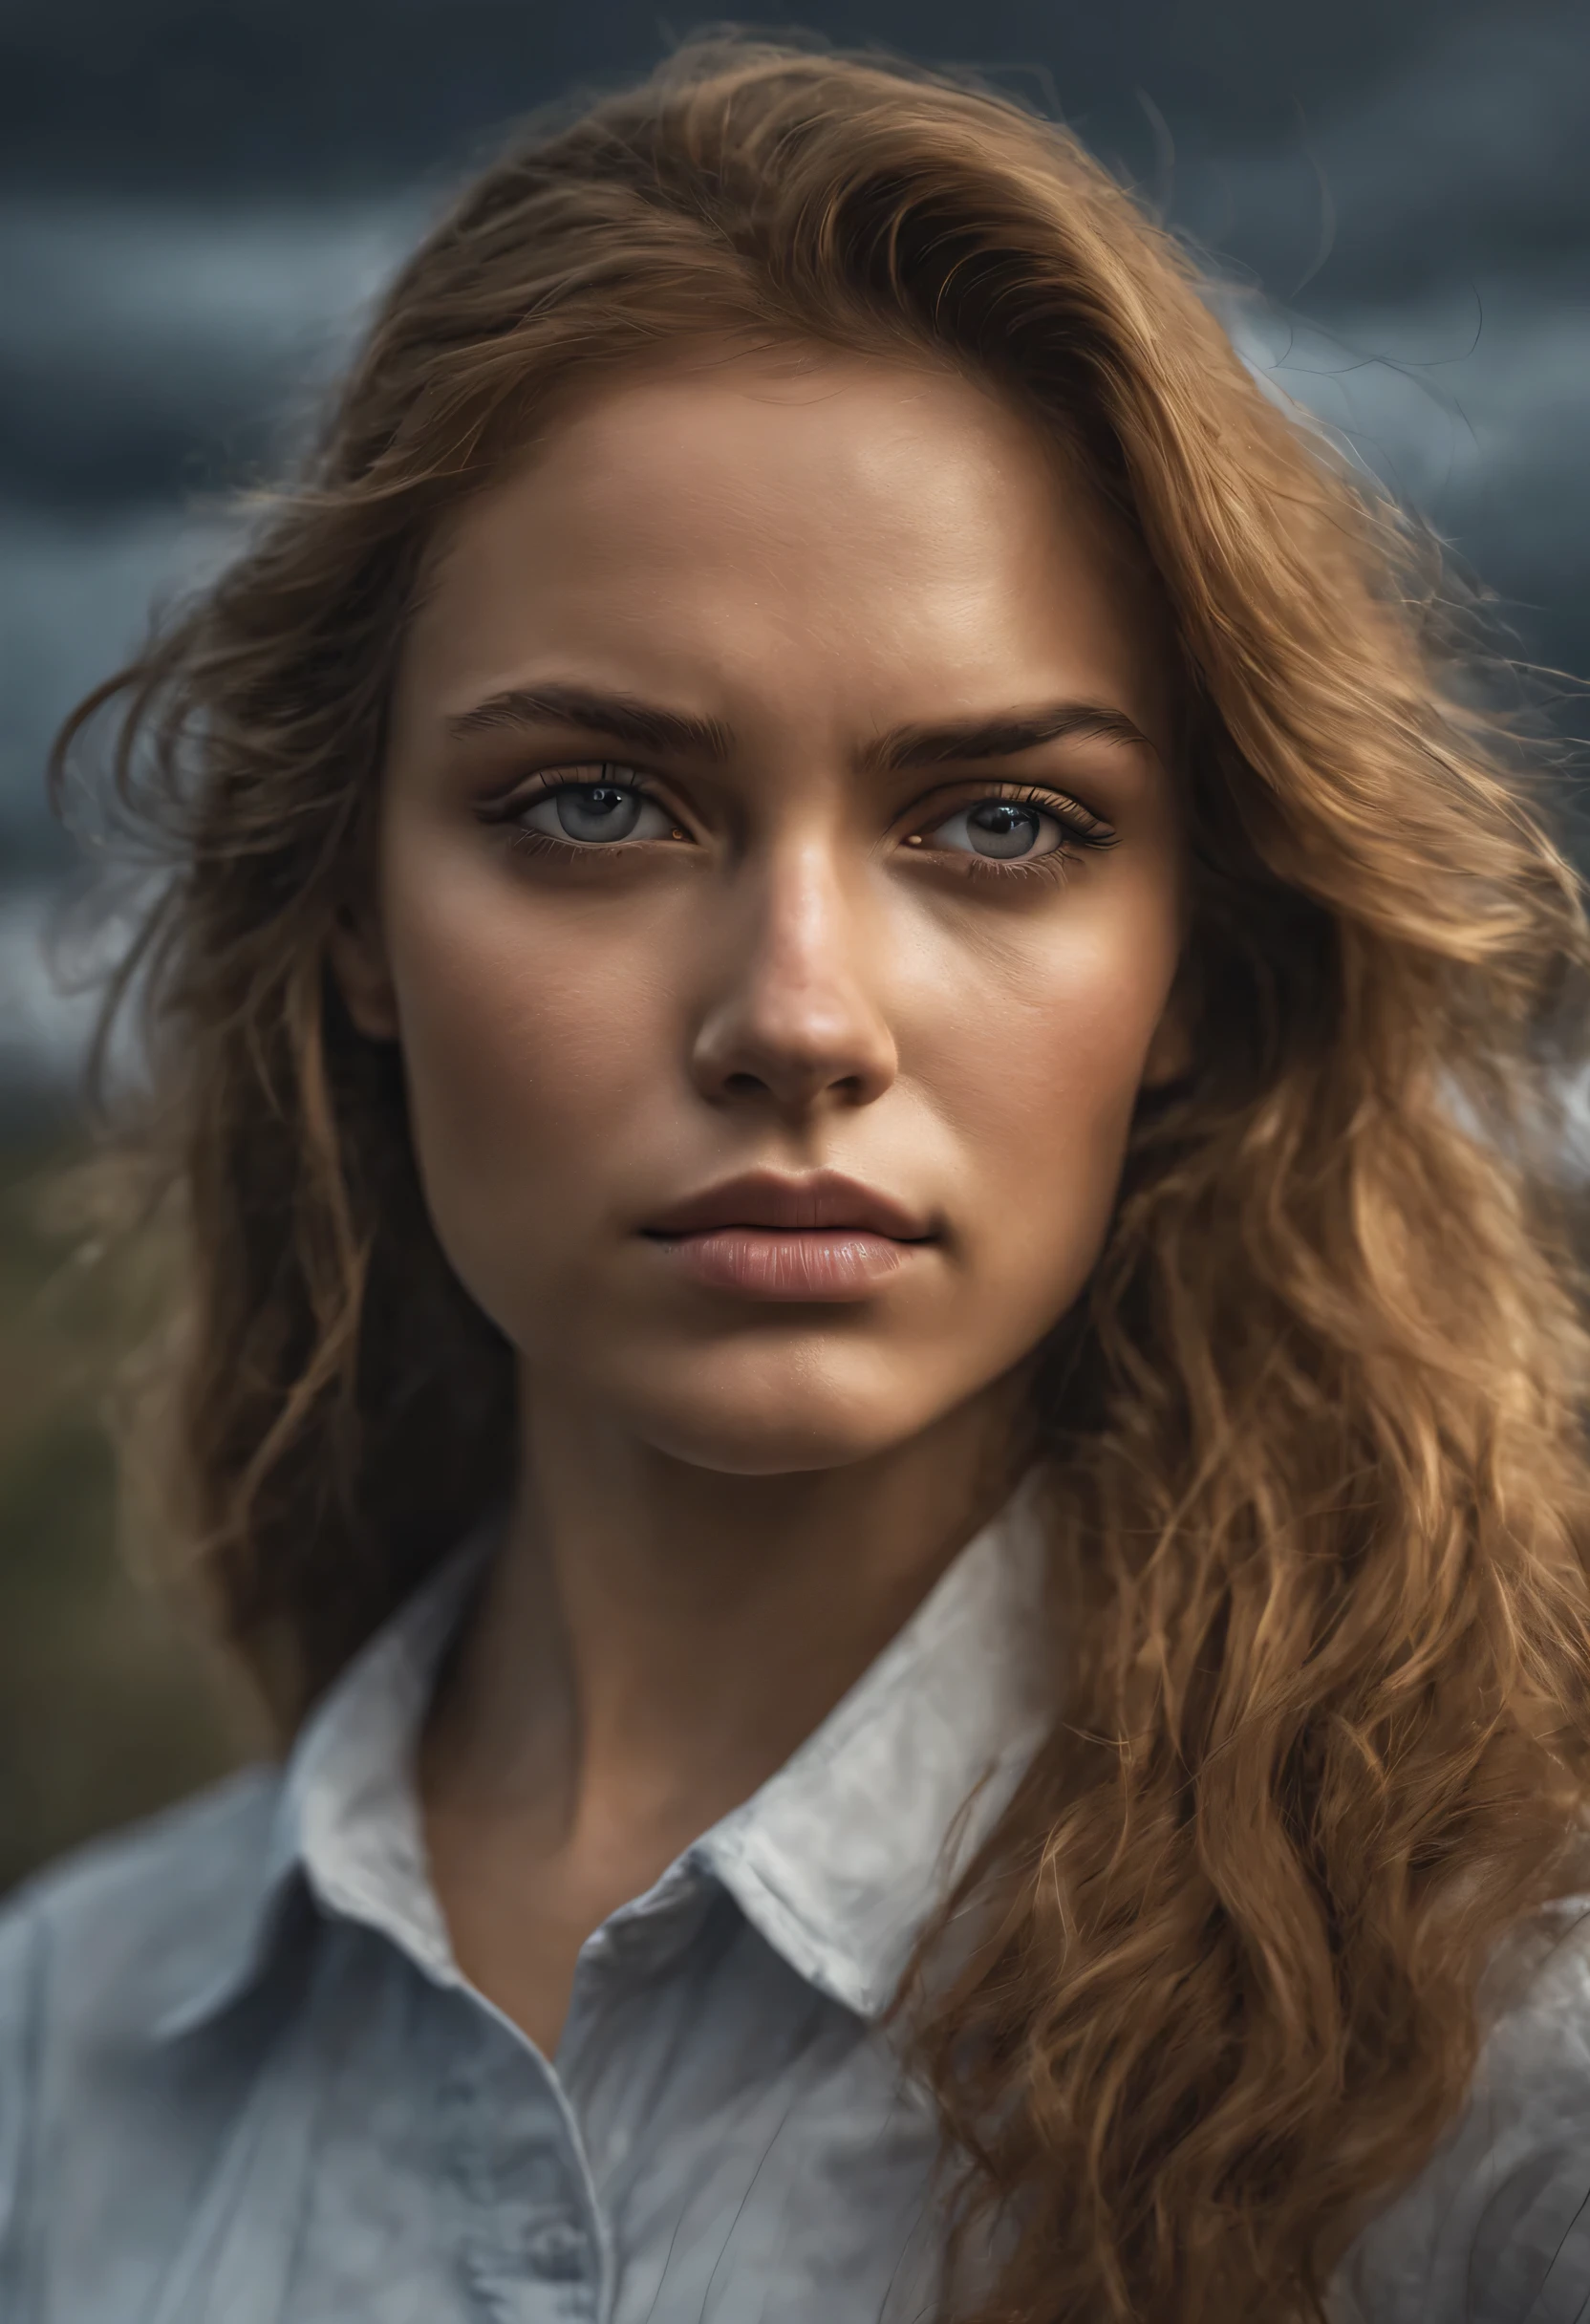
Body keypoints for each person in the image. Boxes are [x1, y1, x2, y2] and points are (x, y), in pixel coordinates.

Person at [4, 34, 1590, 2324]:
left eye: (1001, 823)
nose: (801, 1015)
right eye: (594, 804)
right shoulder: (69, 2058)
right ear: (347, 911)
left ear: (1188, 968)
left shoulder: (1506, 2073)